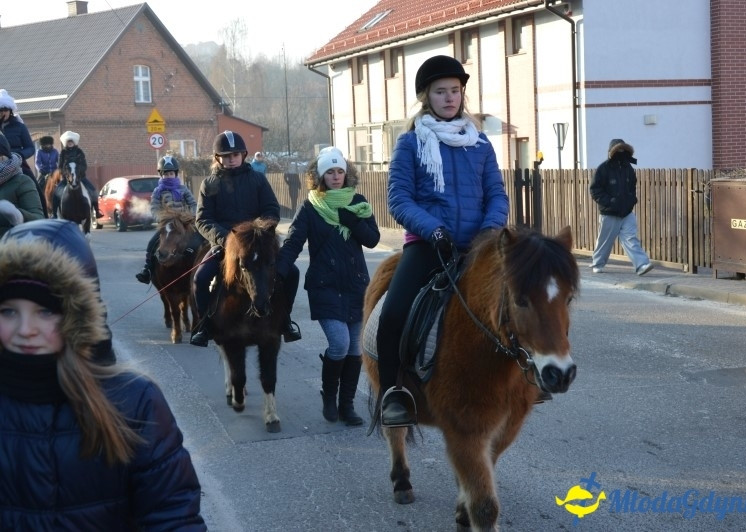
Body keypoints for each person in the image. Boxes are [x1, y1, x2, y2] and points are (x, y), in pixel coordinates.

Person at [0, 219, 206, 530]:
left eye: (45, 312)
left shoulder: (136, 402)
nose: (26, 330)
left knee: (205, 266)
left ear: (77, 316)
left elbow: (173, 514)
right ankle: (149, 268)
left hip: (205, 230)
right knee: (155, 247)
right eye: (8, 311)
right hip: (169, 224)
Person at [377, 55, 509, 427]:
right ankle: (393, 394)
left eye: (455, 90)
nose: (449, 98)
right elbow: (399, 200)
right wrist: (433, 230)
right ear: (426, 97)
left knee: (521, 301)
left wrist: (489, 230)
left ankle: (530, 376)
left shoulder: (480, 144)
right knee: (393, 314)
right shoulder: (409, 144)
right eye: (441, 92)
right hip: (428, 244)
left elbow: (497, 195)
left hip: (477, 247)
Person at [277, 147, 380, 426]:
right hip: (324, 285)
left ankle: (346, 406)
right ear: (320, 176)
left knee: (355, 350)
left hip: (356, 286)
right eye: (330, 172)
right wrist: (279, 271)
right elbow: (293, 242)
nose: (336, 177)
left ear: (346, 174)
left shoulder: (357, 202)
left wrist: (354, 223)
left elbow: (372, 239)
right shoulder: (311, 206)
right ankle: (329, 396)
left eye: (340, 171)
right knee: (340, 343)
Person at [190, 130, 301, 347]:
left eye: (235, 155)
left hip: (257, 243)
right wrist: (227, 240)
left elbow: (271, 210)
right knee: (200, 279)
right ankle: (205, 325)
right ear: (217, 158)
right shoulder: (209, 184)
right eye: (226, 156)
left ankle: (285, 320)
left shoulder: (258, 180)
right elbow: (203, 220)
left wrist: (258, 232)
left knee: (293, 273)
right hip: (225, 246)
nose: (231, 160)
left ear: (243, 155)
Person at [589, 138, 654, 276]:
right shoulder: (603, 168)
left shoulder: (628, 168)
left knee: (631, 239)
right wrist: (610, 201)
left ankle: (642, 265)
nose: (620, 152)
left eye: (623, 150)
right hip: (609, 213)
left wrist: (631, 200)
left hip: (627, 212)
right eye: (618, 150)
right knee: (605, 241)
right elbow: (595, 189)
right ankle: (597, 264)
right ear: (611, 151)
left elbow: (632, 188)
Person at [135, 155, 200, 284]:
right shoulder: (157, 191)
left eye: (171, 173)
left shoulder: (183, 189)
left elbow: (193, 204)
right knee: (152, 243)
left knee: (200, 241)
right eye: (166, 174)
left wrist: (189, 217)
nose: (169, 176)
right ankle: (147, 270)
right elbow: (154, 208)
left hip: (184, 224)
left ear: (175, 174)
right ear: (161, 175)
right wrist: (162, 219)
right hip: (168, 225)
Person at [0, 90, 48, 216]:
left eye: (5, 110)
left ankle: (43, 217)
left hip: (17, 162)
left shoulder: (19, 127)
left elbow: (30, 147)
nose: (2, 113)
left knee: (35, 187)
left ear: (10, 110)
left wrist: (19, 155)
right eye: (0, 110)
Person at [0, 132, 44, 237]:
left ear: (2, 155)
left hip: (10, 247)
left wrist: (18, 215)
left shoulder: (23, 182)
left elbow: (39, 219)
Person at [59, 130, 101, 219]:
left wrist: (78, 174)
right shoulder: (63, 153)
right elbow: (60, 166)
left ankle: (97, 211)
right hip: (67, 178)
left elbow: (84, 165)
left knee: (93, 190)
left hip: (80, 177)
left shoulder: (79, 152)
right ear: (66, 143)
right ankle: (55, 213)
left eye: (71, 142)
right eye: (68, 142)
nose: (70, 143)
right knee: (56, 192)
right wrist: (65, 174)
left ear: (74, 142)